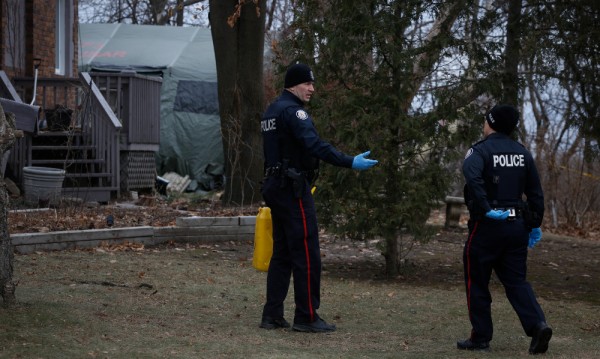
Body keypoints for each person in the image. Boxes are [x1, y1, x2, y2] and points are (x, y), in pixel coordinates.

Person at [259, 63, 378, 333]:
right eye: (307, 84)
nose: (312, 89)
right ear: (293, 84)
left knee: (283, 253)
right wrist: (349, 161)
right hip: (293, 189)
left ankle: (272, 314)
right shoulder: (294, 111)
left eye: (313, 84)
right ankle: (307, 316)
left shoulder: (272, 110)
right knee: (307, 253)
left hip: (275, 186)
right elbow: (314, 145)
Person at [458, 104, 552, 354]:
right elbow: (535, 192)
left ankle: (480, 337)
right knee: (516, 281)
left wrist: (486, 206)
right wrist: (534, 224)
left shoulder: (480, 151)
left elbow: (471, 174)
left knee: (476, 280)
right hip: (517, 227)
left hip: (487, 225)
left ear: (491, 123)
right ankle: (538, 325)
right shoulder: (522, 153)